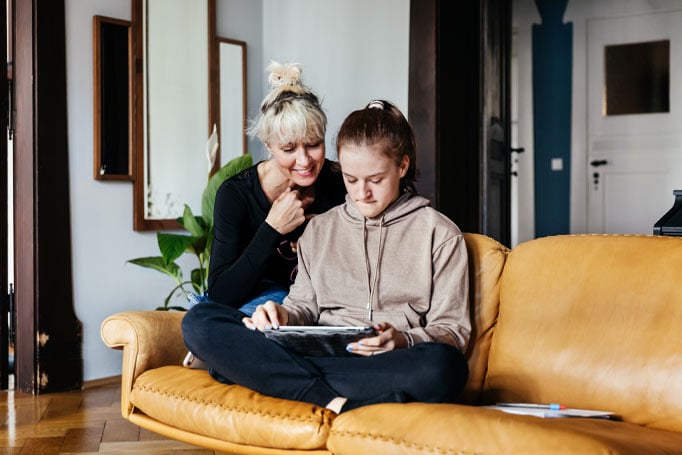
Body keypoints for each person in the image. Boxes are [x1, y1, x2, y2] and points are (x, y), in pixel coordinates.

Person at [182, 99, 470, 413]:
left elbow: (453, 331)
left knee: (445, 367)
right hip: (319, 352)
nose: (362, 193)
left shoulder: (439, 234)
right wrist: (281, 315)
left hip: (385, 361)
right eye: (350, 180)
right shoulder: (319, 228)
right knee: (200, 320)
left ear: (402, 166)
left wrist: (401, 340)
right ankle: (332, 400)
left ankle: (269, 377)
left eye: (375, 180)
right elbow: (302, 305)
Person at [204, 61, 346, 315]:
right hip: (254, 309)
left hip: (318, 309)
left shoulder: (341, 182)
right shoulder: (236, 195)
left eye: (314, 145)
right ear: (269, 146)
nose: (304, 161)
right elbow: (220, 294)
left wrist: (323, 239)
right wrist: (272, 229)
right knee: (202, 317)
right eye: (289, 149)